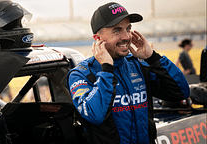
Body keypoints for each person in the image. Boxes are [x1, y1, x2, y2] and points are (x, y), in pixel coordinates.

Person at [67, 2, 190, 144]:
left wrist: (153, 58)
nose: (126, 36)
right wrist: (107, 69)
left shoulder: (139, 65)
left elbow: (180, 92)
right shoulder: (81, 75)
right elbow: (95, 115)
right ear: (98, 38)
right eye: (117, 31)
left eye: (128, 28)